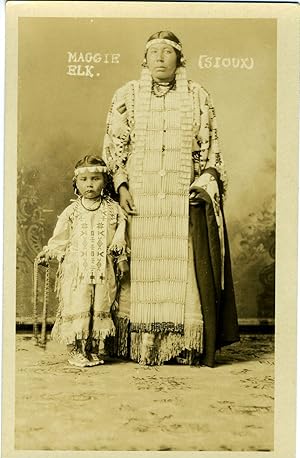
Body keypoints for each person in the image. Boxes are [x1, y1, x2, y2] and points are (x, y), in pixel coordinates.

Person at [102, 31, 239, 367]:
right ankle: (138, 345)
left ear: (180, 59)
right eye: (154, 52)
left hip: (181, 197)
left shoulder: (197, 96)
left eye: (168, 52)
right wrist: (121, 187)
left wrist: (204, 183)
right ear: (144, 60)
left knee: (183, 269)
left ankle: (182, 346)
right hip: (141, 197)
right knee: (139, 267)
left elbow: (212, 149)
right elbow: (114, 147)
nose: (161, 58)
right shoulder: (127, 95)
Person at [36, 156, 129, 367]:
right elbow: (60, 238)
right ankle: (76, 349)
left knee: (100, 304)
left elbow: (119, 238)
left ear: (105, 182)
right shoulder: (73, 211)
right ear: (76, 184)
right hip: (76, 270)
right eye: (84, 179)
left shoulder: (113, 210)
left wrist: (121, 259)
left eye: (95, 179)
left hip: (103, 270)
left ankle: (93, 348)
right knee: (78, 303)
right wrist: (49, 253)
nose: (89, 184)